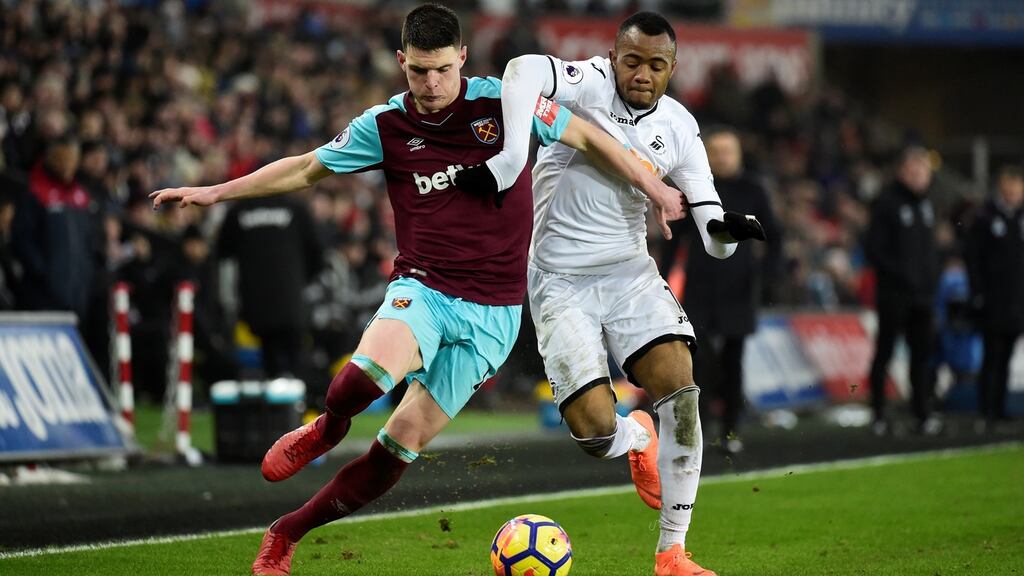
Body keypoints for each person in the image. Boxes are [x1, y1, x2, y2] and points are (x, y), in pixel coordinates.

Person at [150, 5, 683, 576]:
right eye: (419, 71)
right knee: (362, 380)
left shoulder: (506, 102)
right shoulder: (385, 124)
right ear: (402, 62)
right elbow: (306, 168)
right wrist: (215, 192)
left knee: (396, 448)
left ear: (462, 59)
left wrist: (655, 187)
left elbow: (590, 138)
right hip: (424, 288)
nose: (431, 84)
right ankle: (327, 428)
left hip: (495, 313)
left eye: (442, 70)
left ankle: (286, 533)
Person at [476, 12, 767, 576]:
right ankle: (634, 437)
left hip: (630, 275)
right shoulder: (587, 83)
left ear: (672, 69)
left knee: (682, 389)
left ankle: (672, 552)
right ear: (613, 57)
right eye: (632, 61)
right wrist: (512, 155)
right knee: (593, 430)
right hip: (559, 282)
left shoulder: (680, 128)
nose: (642, 74)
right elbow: (521, 68)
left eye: (656, 65)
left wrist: (729, 232)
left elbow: (711, 232)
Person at [682, 126, 780, 454]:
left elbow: (775, 236)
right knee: (698, 361)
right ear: (707, 155)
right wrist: (663, 277)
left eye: (728, 151)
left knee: (733, 361)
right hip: (699, 287)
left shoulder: (754, 189)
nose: (723, 157)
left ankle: (731, 430)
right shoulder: (695, 186)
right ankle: (699, 430)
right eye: (717, 151)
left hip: (739, 289)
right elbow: (675, 237)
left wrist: (769, 277)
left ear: (738, 155)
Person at [864, 146, 942, 436]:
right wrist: (901, 276)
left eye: (923, 171)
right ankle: (879, 414)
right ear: (901, 172)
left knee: (921, 356)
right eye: (913, 170)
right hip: (894, 294)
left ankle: (922, 413)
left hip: (923, 295)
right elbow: (874, 249)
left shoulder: (928, 205)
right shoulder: (887, 203)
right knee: (884, 353)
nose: (919, 176)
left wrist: (930, 278)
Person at [966, 165, 1024, 427]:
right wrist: (978, 291)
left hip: (1017, 300)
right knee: (992, 355)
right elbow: (973, 257)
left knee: (1007, 356)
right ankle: (986, 410)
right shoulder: (986, 217)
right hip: (992, 299)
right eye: (1009, 186)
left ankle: (999, 408)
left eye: (1017, 187)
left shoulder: (1020, 218)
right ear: (1000, 187)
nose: (1013, 192)